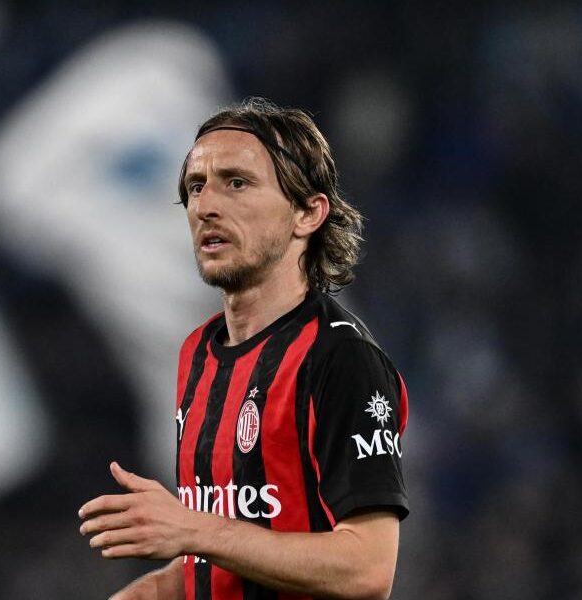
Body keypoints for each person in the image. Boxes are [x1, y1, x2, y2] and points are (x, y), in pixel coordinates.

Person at [79, 98, 409, 600]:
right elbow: (215, 565)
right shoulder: (197, 355)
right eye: (196, 186)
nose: (205, 206)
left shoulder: (340, 359)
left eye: (236, 183)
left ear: (307, 213)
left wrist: (193, 528)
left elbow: (367, 570)